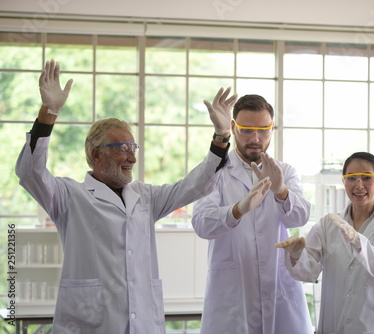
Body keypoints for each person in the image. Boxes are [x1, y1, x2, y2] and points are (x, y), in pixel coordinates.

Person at [15, 59, 237, 334]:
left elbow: (196, 185)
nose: (132, 157)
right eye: (122, 148)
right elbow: (30, 172)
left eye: (134, 148)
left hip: (143, 323)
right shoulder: (69, 196)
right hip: (91, 325)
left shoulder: (145, 197)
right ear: (96, 154)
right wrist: (49, 112)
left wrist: (221, 135)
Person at [191, 94, 313, 334]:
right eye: (247, 130)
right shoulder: (216, 171)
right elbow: (201, 224)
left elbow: (299, 217)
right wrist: (238, 210)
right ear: (234, 128)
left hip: (279, 289)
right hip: (233, 294)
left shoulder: (284, 172)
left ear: (272, 129)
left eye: (263, 130)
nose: (255, 138)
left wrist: (280, 190)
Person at [276, 152, 374, 334]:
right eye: (352, 178)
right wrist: (295, 255)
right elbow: (308, 273)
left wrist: (358, 241)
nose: (359, 185)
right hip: (334, 326)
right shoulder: (328, 224)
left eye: (366, 178)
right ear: (343, 182)